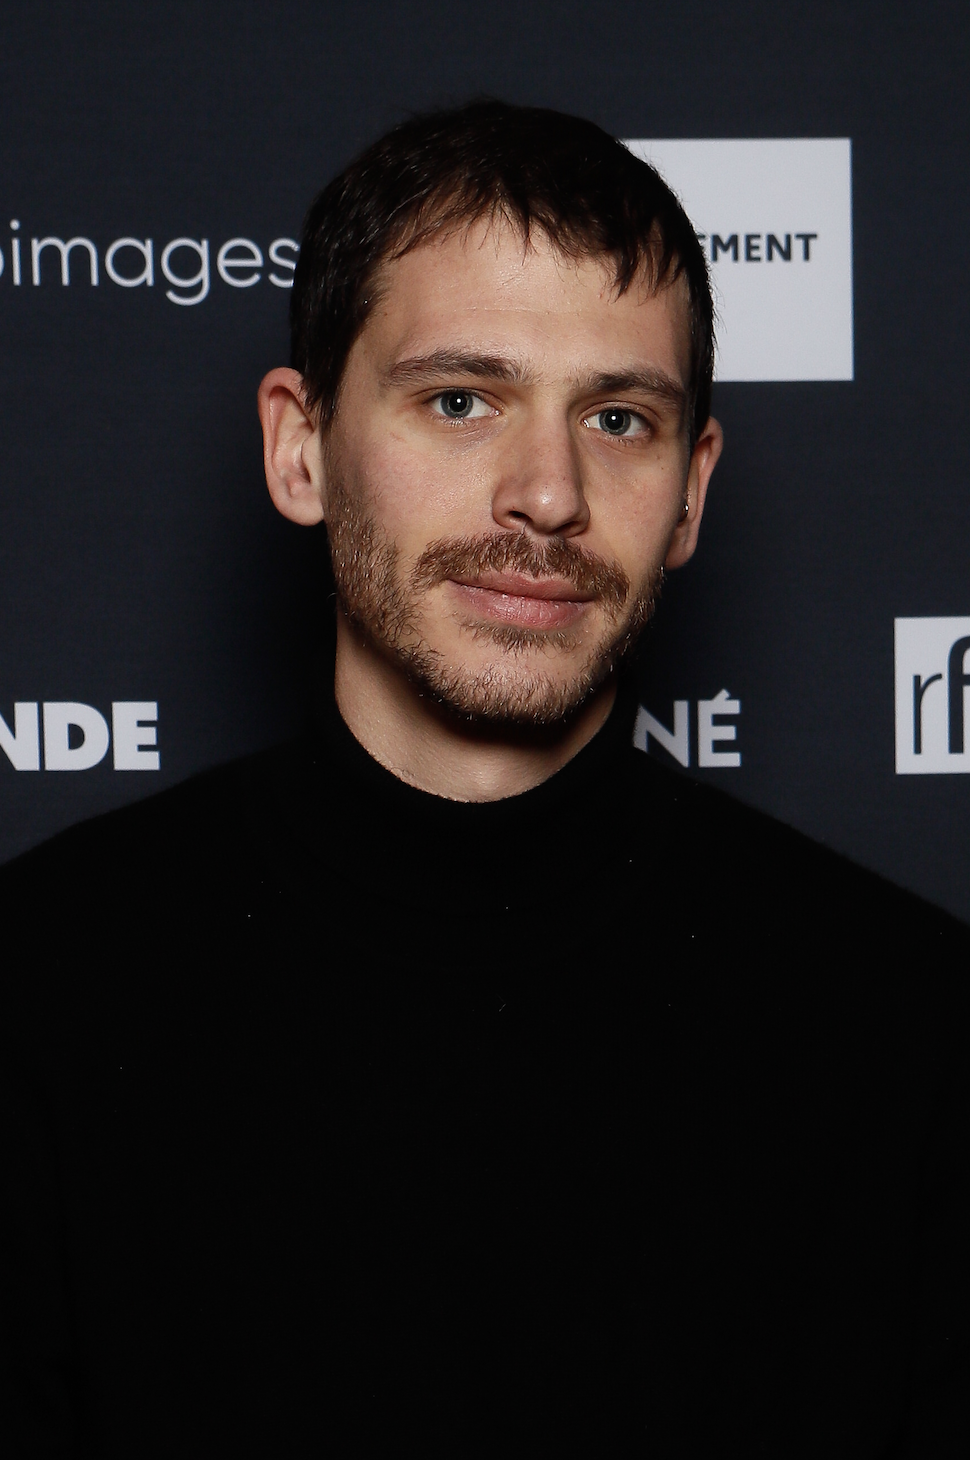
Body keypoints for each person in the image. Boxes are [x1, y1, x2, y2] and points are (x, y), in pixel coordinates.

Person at [1, 101, 967, 1458]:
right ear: (301, 446)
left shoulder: (914, 1032)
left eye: (618, 418)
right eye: (460, 400)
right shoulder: (41, 991)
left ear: (688, 494)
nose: (546, 494)